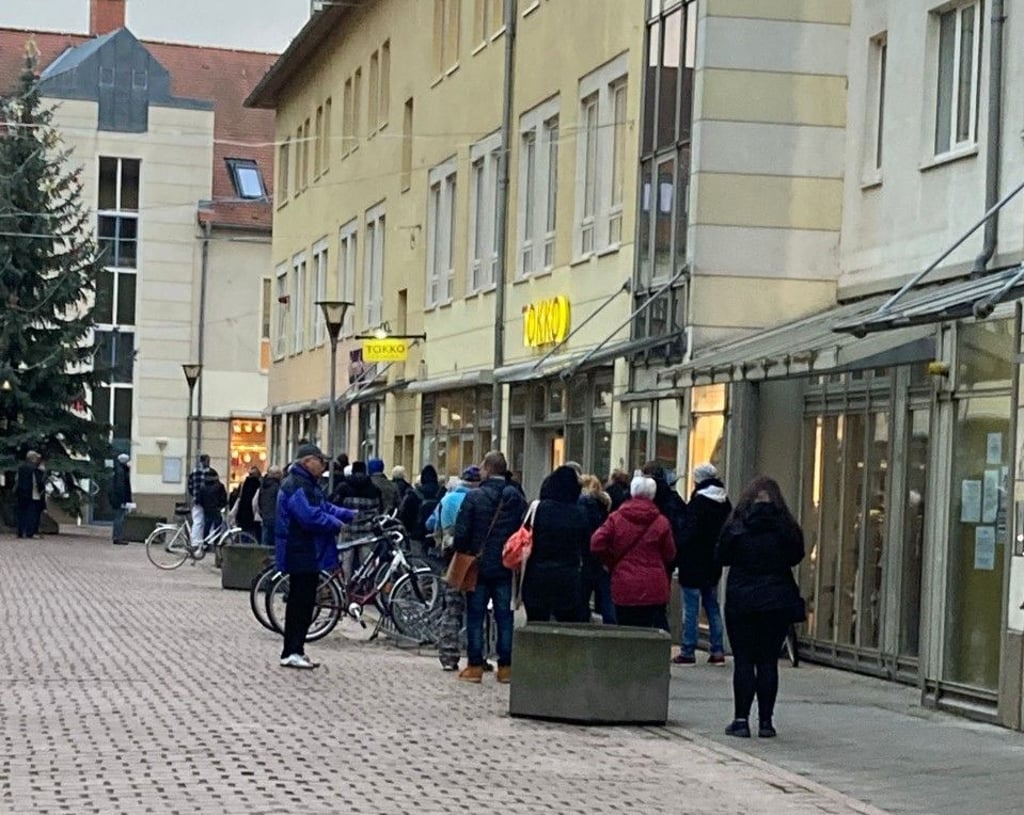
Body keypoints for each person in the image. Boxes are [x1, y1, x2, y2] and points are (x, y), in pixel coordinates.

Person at [717, 476, 805, 739]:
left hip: (742, 599)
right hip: (776, 600)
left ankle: (741, 719)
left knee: (744, 660)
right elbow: (796, 555)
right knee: (768, 661)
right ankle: (766, 722)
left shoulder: (736, 524)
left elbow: (721, 556)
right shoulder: (786, 526)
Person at [275, 443, 355, 669]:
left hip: (304, 550)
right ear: (307, 462)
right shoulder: (297, 485)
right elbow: (310, 516)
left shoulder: (306, 484)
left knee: (303, 601)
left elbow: (323, 507)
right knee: (301, 602)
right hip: (300, 550)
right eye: (320, 461)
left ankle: (295, 649)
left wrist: (347, 514)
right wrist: (336, 524)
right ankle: (292, 650)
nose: (323, 465)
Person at [452, 451, 527, 684]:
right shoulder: (515, 497)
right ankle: (506, 667)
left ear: (487, 469)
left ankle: (475, 666)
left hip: (478, 565)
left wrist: (462, 551)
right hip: (505, 566)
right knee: (504, 616)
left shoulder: (475, 497)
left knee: (475, 615)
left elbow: (462, 533)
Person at [590, 474, 676, 629]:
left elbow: (596, 543)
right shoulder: (661, 522)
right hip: (654, 585)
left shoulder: (616, 518)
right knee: (650, 630)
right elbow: (670, 554)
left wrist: (611, 560)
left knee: (625, 630)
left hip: (624, 582)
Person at [674, 463, 731, 665]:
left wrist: (679, 549)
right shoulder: (724, 502)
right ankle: (717, 650)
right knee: (712, 605)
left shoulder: (698, 504)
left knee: (691, 607)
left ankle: (688, 650)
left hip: (693, 560)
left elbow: (688, 533)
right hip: (712, 561)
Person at [427, 465, 481, 671]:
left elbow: (432, 524)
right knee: (476, 609)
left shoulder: (447, 499)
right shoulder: (478, 500)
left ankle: (448, 655)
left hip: (451, 559)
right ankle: (477, 655)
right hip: (473, 558)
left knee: (451, 608)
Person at [522, 465, 588, 623]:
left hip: (537, 574)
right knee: (567, 625)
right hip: (568, 576)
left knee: (537, 623)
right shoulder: (579, 513)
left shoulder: (538, 509)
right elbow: (586, 546)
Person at [331, 460, 383, 573]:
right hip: (367, 531)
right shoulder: (374, 489)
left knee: (346, 563)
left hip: (347, 530)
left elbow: (334, 506)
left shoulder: (343, 487)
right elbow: (379, 510)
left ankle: (345, 587)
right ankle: (364, 588)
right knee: (367, 565)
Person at [578, 473, 615, 624]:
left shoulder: (579, 507)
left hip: (583, 559)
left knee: (581, 599)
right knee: (607, 599)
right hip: (602, 560)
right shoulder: (605, 507)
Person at [399, 465, 444, 555]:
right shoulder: (443, 493)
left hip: (417, 536)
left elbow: (405, 515)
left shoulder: (414, 494)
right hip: (437, 536)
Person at [15, 451, 43, 539]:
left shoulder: (21, 468)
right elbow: (38, 482)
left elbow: (17, 480)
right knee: (32, 515)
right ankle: (30, 533)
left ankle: (21, 532)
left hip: (21, 494)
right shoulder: (35, 469)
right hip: (33, 495)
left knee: (22, 514)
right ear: (32, 459)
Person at [255, 466, 283, 548]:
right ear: (276, 475)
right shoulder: (277, 487)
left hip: (265, 517)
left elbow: (259, 501)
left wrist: (262, 512)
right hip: (276, 518)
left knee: (265, 543)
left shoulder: (263, 486)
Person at [187, 454, 211, 550]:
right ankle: (199, 543)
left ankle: (195, 541)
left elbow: (189, 486)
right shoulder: (208, 472)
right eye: (208, 461)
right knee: (203, 522)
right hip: (207, 501)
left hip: (197, 500)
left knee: (197, 522)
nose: (209, 463)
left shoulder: (194, 472)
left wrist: (194, 495)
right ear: (205, 461)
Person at [110, 453, 134, 546]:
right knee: (119, 518)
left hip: (118, 498)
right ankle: (117, 537)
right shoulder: (121, 472)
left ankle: (117, 537)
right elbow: (121, 487)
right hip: (120, 499)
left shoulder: (119, 470)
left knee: (118, 517)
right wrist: (124, 500)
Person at [199, 469, 228, 542]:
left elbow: (200, 499)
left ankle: (205, 543)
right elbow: (224, 498)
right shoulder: (220, 486)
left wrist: (204, 506)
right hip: (217, 510)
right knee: (217, 528)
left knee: (207, 527)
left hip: (207, 510)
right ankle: (216, 542)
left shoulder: (203, 487)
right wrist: (222, 506)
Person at [234, 466, 262, 538]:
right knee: (253, 536)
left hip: (242, 514)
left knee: (244, 534)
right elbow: (255, 502)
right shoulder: (258, 485)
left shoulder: (244, 484)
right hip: (252, 515)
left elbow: (238, 498)